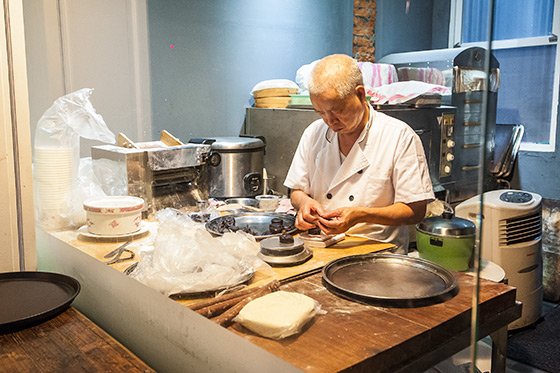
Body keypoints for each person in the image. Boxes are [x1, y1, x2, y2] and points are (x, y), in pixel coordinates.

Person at [283, 54, 434, 254]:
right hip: (320, 250)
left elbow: (415, 210)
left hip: (378, 256)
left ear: (360, 95)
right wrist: (304, 203)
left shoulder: (399, 136)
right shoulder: (314, 132)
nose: (329, 121)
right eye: (320, 112)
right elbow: (297, 190)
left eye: (337, 110)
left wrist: (360, 215)